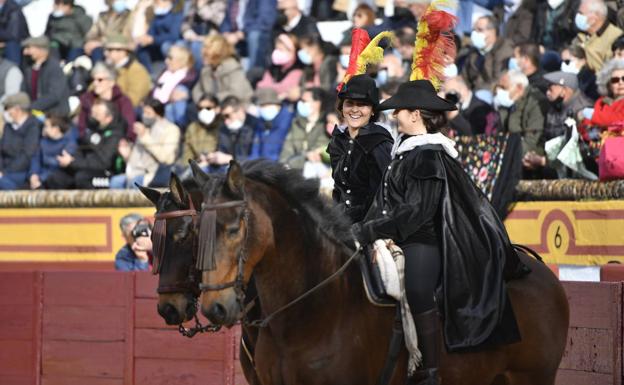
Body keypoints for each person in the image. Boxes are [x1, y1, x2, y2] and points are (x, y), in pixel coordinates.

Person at [352, 79, 525, 385]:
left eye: (400, 111)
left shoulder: (429, 154)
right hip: (400, 232)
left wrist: (371, 230)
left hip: (424, 236)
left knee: (418, 288)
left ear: (415, 114)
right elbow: (386, 201)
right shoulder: (406, 150)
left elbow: (417, 211)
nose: (395, 116)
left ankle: (430, 370)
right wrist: (361, 227)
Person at [327, 74, 393, 223]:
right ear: (342, 107)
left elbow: (384, 193)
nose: (355, 110)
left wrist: (365, 231)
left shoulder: (379, 142)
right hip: (341, 222)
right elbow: (339, 190)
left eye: (362, 104)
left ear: (373, 110)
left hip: (370, 224)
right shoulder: (339, 141)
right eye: (349, 103)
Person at [522, 71, 594, 178]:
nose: (547, 93)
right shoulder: (554, 108)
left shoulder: (582, 110)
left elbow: (578, 149)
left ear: (564, 90)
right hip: (553, 166)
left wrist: (544, 161)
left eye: (551, 89)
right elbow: (547, 137)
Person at [44, 100, 125, 189]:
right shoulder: (91, 131)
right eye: (92, 114)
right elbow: (80, 151)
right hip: (84, 168)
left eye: (97, 115)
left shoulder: (115, 136)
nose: (92, 117)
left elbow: (103, 163)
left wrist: (73, 162)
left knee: (82, 178)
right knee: (56, 178)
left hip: (106, 174)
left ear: (108, 118)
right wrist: (71, 161)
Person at [112, 97, 180, 188]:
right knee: (115, 181)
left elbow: (166, 158)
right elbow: (136, 160)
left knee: (135, 181)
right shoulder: (144, 128)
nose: (145, 116)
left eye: (148, 113)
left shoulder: (171, 130)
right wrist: (127, 155)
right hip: (134, 172)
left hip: (154, 175)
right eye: (143, 112)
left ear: (158, 114)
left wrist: (145, 137)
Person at [494, 69, 548, 158]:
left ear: (519, 87)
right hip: (514, 148)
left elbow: (532, 141)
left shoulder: (536, 102)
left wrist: (506, 154)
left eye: (505, 88)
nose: (500, 92)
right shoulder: (511, 102)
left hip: (531, 153)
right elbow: (503, 131)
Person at [77, 62, 135, 140]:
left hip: (115, 143)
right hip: (90, 142)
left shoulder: (123, 102)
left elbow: (129, 129)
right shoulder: (88, 99)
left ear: (111, 82)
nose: (95, 83)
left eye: (100, 80)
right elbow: (81, 126)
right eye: (93, 79)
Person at [460, 15, 514, 97]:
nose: (475, 33)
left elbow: (497, 81)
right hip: (471, 92)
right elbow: (465, 75)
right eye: (474, 30)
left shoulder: (504, 51)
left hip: (489, 95)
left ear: (492, 32)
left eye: (480, 30)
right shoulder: (475, 49)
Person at [191, 34, 253, 105]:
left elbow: (237, 93)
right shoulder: (206, 70)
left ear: (218, 54)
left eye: (206, 55)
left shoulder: (233, 68)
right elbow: (197, 89)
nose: (202, 55)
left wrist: (213, 100)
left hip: (235, 106)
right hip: (212, 106)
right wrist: (202, 99)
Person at [206, 95, 261, 171]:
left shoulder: (257, 126)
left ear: (240, 110)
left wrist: (231, 159)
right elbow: (222, 152)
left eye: (227, 116)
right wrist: (213, 158)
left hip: (250, 171)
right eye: (223, 117)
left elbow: (257, 159)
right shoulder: (224, 129)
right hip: (227, 169)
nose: (226, 121)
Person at [280, 87, 329, 170]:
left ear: (317, 103)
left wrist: (293, 163)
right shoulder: (296, 123)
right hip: (294, 169)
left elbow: (315, 155)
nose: (300, 103)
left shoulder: (326, 126)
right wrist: (283, 166)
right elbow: (287, 149)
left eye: (304, 101)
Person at [0, 92, 41, 190]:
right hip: (4, 172)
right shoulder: (8, 127)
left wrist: (5, 172)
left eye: (8, 108)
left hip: (21, 173)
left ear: (18, 109)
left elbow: (27, 155)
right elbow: (1, 152)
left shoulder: (33, 126)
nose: (7, 112)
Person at [21, 36, 70, 117]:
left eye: (28, 48)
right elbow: (24, 91)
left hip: (54, 115)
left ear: (41, 49)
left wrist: (32, 107)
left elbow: (54, 95)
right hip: (34, 113)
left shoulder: (54, 68)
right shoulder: (29, 68)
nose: (25, 52)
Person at [152, 44, 198, 129]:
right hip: (157, 106)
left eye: (170, 58)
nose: (166, 61)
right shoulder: (165, 72)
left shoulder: (190, 76)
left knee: (171, 106)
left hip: (173, 109)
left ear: (182, 61)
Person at [103, 33, 153, 108]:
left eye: (110, 50)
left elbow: (133, 99)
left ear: (122, 51)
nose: (106, 53)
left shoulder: (136, 71)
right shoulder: (106, 69)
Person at [571, 0, 623, 72]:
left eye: (581, 13)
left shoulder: (615, 39)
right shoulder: (582, 37)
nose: (578, 16)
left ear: (594, 18)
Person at [28, 114, 77, 189]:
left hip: (55, 180)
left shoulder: (69, 143)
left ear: (56, 129)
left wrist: (41, 179)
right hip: (41, 178)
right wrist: (33, 175)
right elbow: (36, 160)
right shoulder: (42, 142)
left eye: (46, 126)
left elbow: (60, 165)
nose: (44, 129)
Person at [249, 87, 294, 161]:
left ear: (278, 105)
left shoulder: (289, 120)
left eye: (268, 104)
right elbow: (255, 149)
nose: (265, 108)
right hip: (262, 165)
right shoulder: (260, 122)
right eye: (262, 106)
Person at [256, 33, 304, 101]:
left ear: (292, 51)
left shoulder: (298, 69)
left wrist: (269, 87)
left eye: (281, 50)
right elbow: (261, 87)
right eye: (277, 49)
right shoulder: (273, 67)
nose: (278, 53)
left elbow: (286, 88)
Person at [180, 93, 222, 167]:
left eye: (208, 108)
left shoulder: (223, 126)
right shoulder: (192, 128)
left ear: (217, 109)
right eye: (200, 108)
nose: (203, 111)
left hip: (219, 166)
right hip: (196, 167)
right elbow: (188, 155)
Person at [588, 58, 624, 132]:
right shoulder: (601, 102)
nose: (620, 82)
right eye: (615, 80)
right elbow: (587, 123)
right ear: (608, 85)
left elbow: (619, 119)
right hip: (600, 142)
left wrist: (592, 115)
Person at [0, 0, 30, 66]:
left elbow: (14, 34)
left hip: (16, 43)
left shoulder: (13, 10)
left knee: (12, 45)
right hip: (6, 40)